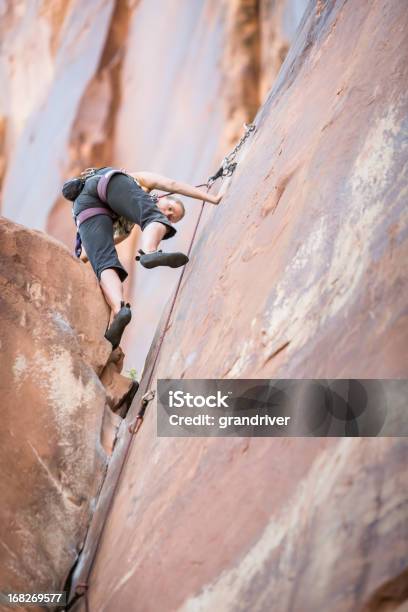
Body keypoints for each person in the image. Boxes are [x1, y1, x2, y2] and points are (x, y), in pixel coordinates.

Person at [69, 167, 221, 349]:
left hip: (84, 206)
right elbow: (172, 185)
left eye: (173, 218)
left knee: (103, 262)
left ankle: (119, 311)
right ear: (163, 197)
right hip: (108, 182)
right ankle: (150, 252)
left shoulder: (126, 228)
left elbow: (89, 252)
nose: (169, 215)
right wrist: (213, 198)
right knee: (151, 216)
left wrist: (77, 261)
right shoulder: (140, 184)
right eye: (171, 209)